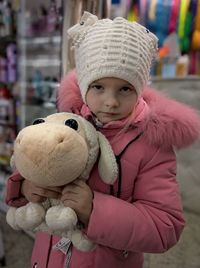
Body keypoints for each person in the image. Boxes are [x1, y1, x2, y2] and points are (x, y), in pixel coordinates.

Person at [6, 11, 200, 268]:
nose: (110, 101)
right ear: (85, 83)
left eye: (125, 88)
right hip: (46, 257)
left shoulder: (152, 146)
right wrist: (24, 188)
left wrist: (94, 208)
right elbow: (30, 163)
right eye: (98, 87)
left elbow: (165, 227)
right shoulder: (66, 121)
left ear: (140, 88)